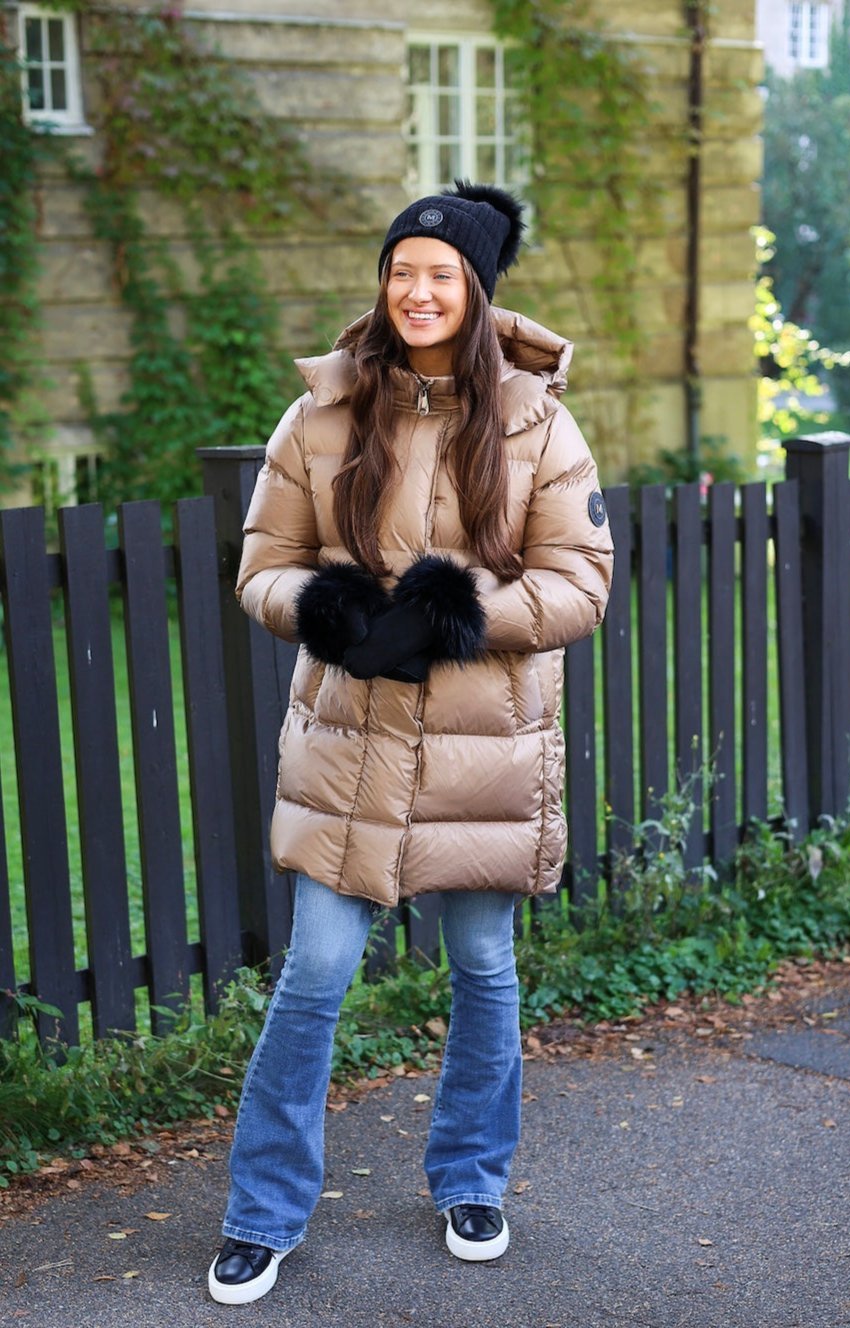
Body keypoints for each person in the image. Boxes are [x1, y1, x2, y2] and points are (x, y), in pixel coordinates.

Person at [207, 181, 614, 1305]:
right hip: (351, 738)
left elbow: (583, 581)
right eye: (402, 270)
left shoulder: (537, 419)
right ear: (383, 284)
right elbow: (262, 566)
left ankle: (473, 1175)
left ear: (478, 292)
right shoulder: (321, 414)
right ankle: (262, 1210)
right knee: (318, 968)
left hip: (486, 749)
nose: (418, 290)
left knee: (482, 964)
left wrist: (460, 614)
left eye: (442, 273)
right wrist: (330, 611)